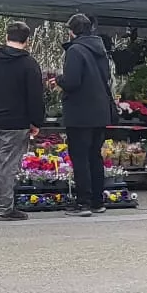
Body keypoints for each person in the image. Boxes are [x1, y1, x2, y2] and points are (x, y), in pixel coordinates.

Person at [0, 20, 45, 221]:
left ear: (6, 36)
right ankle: (5, 208)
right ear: (27, 40)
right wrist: (36, 122)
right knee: (7, 166)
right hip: (16, 123)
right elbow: (35, 96)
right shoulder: (29, 64)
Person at [58, 13, 117, 216]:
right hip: (100, 112)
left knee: (80, 157)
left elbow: (72, 81)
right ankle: (97, 202)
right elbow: (106, 77)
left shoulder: (75, 50)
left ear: (72, 31)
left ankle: (83, 202)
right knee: (94, 156)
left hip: (80, 113)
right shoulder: (100, 50)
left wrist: (59, 80)